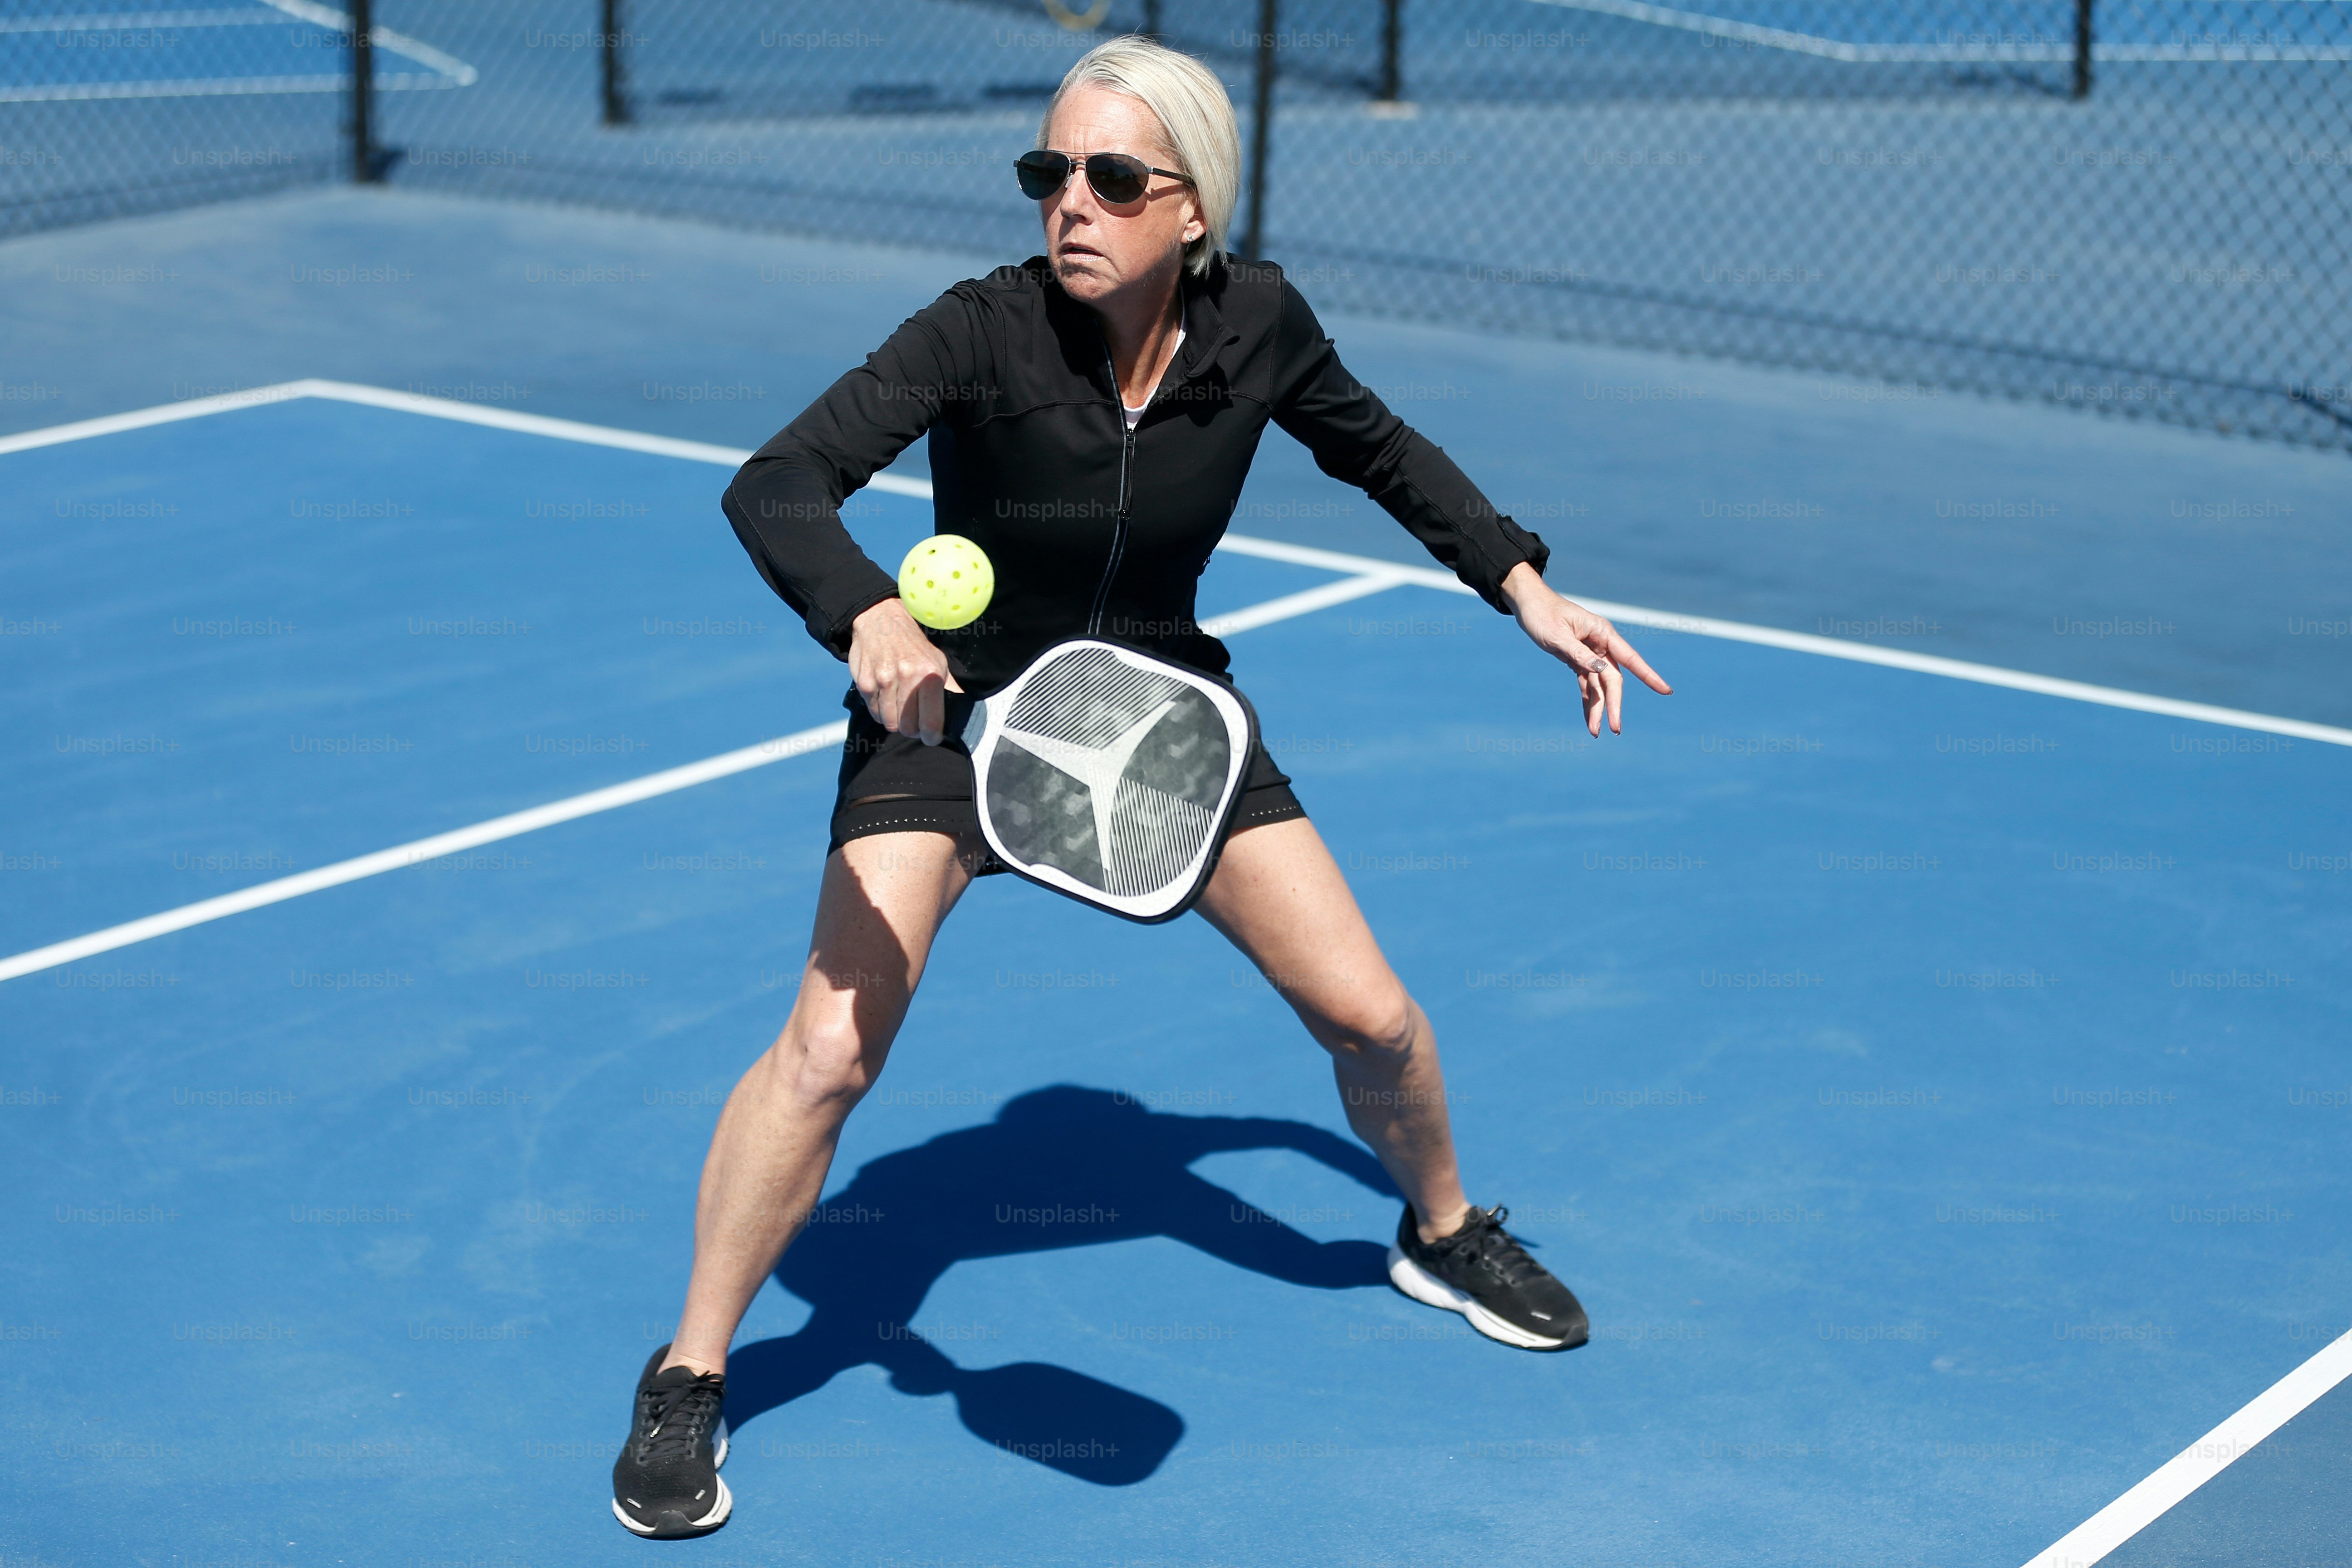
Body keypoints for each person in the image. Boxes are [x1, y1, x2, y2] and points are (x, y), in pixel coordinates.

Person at [612, 34, 1670, 1539]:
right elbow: (776, 483)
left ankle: (1441, 1230)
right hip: (954, 718)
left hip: (1159, 717)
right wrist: (871, 613)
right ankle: (693, 1371)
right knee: (829, 1056)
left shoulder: (1261, 328)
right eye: (1051, 173)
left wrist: (1524, 583)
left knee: (1372, 1017)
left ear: (1193, 208)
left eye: (1114, 179)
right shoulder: (982, 330)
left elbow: (1386, 454)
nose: (1072, 205)